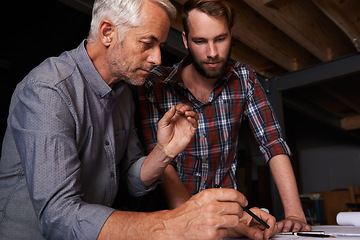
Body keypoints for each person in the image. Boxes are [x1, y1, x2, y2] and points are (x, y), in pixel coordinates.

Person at [0, 0, 277, 239]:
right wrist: (175, 225)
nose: (157, 58)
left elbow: (131, 182)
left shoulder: (122, 93)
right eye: (147, 43)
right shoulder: (48, 90)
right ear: (107, 32)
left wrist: (164, 152)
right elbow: (58, 217)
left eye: (159, 44)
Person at [138, 0, 311, 234]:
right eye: (200, 41)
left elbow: (272, 143)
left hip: (229, 217)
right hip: (170, 222)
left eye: (220, 39)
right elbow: (160, 161)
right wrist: (196, 220)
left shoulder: (244, 78)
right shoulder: (155, 84)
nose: (212, 53)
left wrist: (294, 214)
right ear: (186, 40)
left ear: (231, 35)